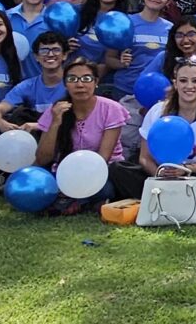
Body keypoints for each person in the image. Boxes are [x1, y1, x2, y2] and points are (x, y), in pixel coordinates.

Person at [35, 58, 137, 212]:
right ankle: (79, 201)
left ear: (96, 82)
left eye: (86, 79)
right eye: (73, 79)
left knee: (106, 189)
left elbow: (102, 159)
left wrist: (75, 184)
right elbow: (42, 158)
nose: (80, 85)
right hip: (64, 172)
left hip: (100, 172)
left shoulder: (111, 109)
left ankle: (75, 201)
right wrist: (55, 123)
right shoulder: (56, 110)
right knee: (41, 185)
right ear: (65, 84)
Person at [128, 54, 196, 192]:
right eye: (183, 81)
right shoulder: (157, 110)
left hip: (194, 173)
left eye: (195, 81)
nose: (189, 86)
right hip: (159, 172)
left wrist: (185, 170)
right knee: (120, 170)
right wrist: (160, 176)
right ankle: (163, 192)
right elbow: (144, 158)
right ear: (175, 84)